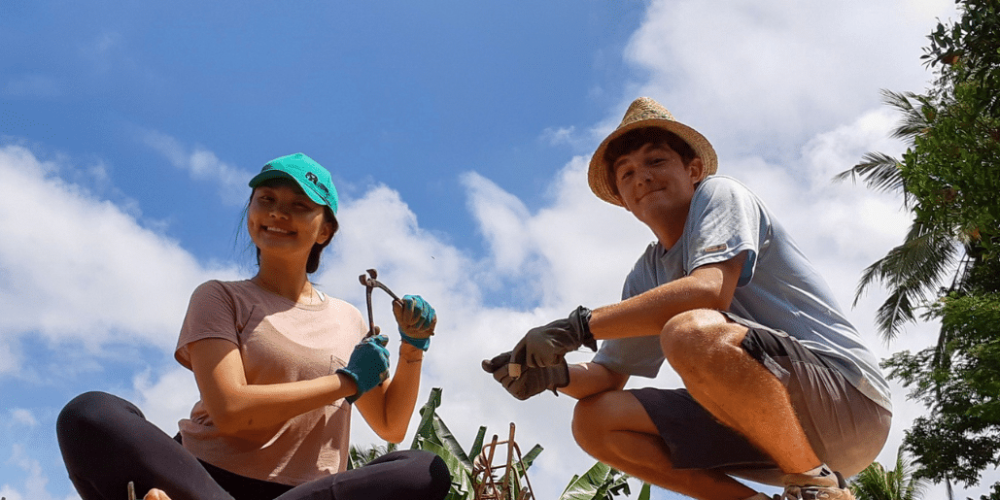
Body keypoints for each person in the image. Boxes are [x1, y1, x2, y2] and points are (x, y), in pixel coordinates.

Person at [483, 98, 892, 500]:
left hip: (848, 404)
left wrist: (575, 327)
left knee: (690, 331)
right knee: (594, 420)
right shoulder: (646, 274)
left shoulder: (720, 195)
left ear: (693, 170)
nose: (641, 177)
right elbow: (609, 376)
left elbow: (709, 290)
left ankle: (816, 488)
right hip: (769, 432)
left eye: (655, 161)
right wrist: (553, 375)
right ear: (623, 201)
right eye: (626, 173)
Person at [57, 152, 451, 500]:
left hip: (308, 492)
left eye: (299, 206)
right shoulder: (218, 297)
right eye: (267, 200)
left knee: (422, 470)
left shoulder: (348, 318)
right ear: (250, 212)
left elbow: (390, 424)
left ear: (325, 229)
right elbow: (230, 410)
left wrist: (412, 346)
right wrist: (347, 382)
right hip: (202, 479)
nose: (279, 213)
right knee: (89, 414)